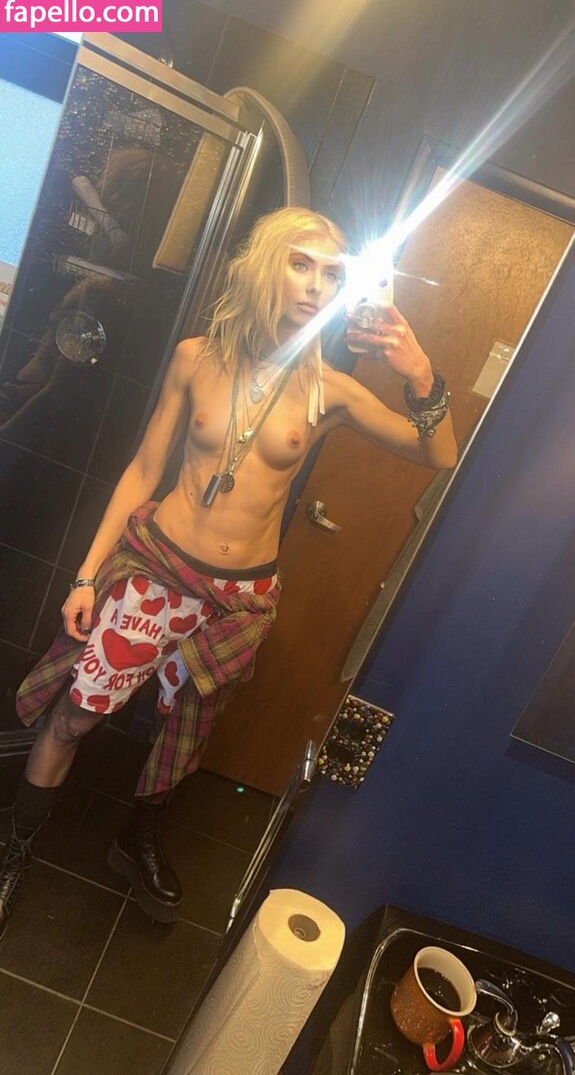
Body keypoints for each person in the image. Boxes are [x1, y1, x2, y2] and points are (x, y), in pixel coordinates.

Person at [0, 206, 457, 937]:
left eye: (331, 273)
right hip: (155, 574)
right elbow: (143, 470)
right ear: (266, 267)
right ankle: (16, 850)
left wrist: (422, 374)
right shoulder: (196, 358)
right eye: (300, 264)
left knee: (186, 729)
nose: (316, 285)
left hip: (240, 600)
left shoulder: (327, 390)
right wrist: (87, 576)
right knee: (78, 712)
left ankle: (137, 838)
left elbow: (437, 453)